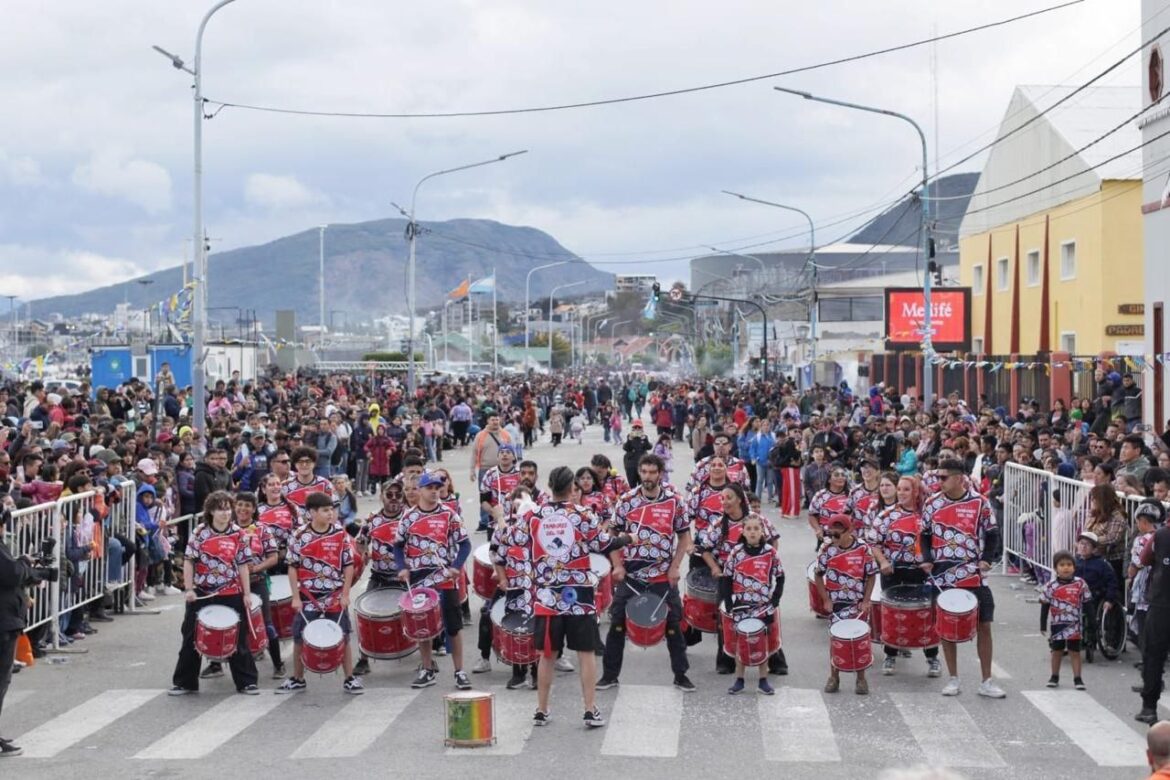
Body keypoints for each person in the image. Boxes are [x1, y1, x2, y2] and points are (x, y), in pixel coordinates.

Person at [497, 466, 628, 726]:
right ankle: (590, 708)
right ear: (572, 488)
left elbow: (509, 539)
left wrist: (503, 518)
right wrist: (630, 537)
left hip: (546, 598)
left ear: (550, 485)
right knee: (586, 653)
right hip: (579, 597)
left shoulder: (533, 516)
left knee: (547, 654)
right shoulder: (581, 514)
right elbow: (604, 543)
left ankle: (542, 710)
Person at [598, 453, 695, 692]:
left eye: (653, 472)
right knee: (617, 624)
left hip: (662, 575)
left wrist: (675, 567)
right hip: (631, 576)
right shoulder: (627, 500)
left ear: (661, 474)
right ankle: (609, 675)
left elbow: (684, 537)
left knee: (674, 625)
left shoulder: (675, 501)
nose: (648, 477)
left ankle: (681, 675)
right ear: (639, 473)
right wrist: (617, 565)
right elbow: (611, 535)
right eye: (644, 472)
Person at [921, 459, 1005, 699]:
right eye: (938, 477)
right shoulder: (931, 503)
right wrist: (927, 558)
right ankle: (953, 679)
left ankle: (986, 680)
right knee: (947, 628)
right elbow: (924, 535)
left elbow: (992, 533)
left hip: (973, 575)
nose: (939, 482)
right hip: (941, 575)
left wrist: (986, 559)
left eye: (943, 477)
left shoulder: (980, 502)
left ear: (959, 478)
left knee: (984, 625)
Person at [169, 490, 260, 696]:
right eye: (221, 509)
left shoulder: (238, 534)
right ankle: (185, 682)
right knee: (191, 637)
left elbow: (244, 565)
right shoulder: (200, 533)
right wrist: (189, 588)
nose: (226, 513)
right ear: (210, 511)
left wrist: (246, 593)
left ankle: (246, 681)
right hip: (203, 592)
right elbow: (189, 560)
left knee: (238, 638)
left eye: (228, 509)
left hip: (231, 592)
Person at [276, 492, 362, 695]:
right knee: (299, 637)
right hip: (308, 596)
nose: (330, 513)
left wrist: (346, 593)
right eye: (325, 510)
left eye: (331, 509)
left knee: (343, 636)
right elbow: (292, 567)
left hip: (334, 595)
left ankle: (349, 678)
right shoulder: (299, 536)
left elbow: (348, 566)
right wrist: (295, 597)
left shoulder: (340, 535)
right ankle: (298, 678)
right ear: (312, 512)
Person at [394, 471, 472, 690]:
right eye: (430, 488)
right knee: (423, 627)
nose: (435, 491)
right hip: (419, 579)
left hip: (444, 578)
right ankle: (427, 669)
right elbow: (398, 545)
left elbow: (465, 544)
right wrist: (402, 568)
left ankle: (460, 671)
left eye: (438, 488)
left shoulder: (449, 515)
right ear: (420, 490)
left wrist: (456, 567)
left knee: (453, 626)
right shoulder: (408, 517)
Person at [869, 475, 940, 677]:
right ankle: (890, 654)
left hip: (921, 572)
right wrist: (882, 562)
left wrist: (931, 562)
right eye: (899, 489)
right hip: (894, 572)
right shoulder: (886, 515)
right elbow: (874, 543)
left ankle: (932, 658)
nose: (901, 493)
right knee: (892, 614)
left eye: (906, 489)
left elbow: (937, 541)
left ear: (916, 491)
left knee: (927, 615)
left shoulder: (927, 516)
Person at [719, 513, 783, 695]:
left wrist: (775, 599)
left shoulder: (770, 552)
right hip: (741, 605)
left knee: (762, 641)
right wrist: (729, 603)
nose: (753, 532)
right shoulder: (736, 552)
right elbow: (727, 578)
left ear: (762, 532)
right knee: (741, 641)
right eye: (749, 529)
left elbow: (780, 576)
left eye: (756, 529)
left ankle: (763, 680)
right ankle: (739, 679)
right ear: (743, 532)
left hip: (763, 605)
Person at [814, 514, 878, 695]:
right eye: (830, 534)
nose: (833, 539)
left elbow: (871, 575)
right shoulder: (827, 549)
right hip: (837, 605)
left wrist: (866, 601)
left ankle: (861, 678)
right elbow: (818, 575)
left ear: (849, 531)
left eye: (837, 535)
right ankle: (834, 676)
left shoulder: (863, 549)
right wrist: (825, 599)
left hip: (857, 604)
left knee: (859, 641)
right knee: (836, 641)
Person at [353, 480, 407, 677]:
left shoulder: (410, 518)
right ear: (381, 496)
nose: (393, 499)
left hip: (405, 577)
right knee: (364, 616)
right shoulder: (372, 519)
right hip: (379, 575)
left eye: (397, 495)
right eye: (389, 494)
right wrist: (363, 551)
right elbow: (361, 542)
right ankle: (363, 659)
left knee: (416, 615)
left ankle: (426, 658)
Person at [1039, 549, 1090, 690]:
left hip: (1075, 626)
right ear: (1056, 568)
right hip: (1057, 625)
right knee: (1057, 651)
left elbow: (1087, 604)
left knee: (1075, 652)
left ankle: (1078, 679)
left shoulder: (1080, 584)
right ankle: (1054, 676)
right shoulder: (1050, 586)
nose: (1066, 568)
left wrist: (1092, 623)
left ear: (1074, 567)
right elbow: (1045, 606)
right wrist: (1042, 625)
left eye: (1069, 564)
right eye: (1062, 565)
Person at [1138, 499, 1170, 724]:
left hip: (1161, 602)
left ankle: (1149, 706)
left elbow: (1144, 559)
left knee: (1154, 656)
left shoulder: (1160, 536)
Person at [281, 447, 334, 521]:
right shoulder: (285, 487)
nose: (304, 465)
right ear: (295, 464)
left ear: (314, 463)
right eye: (300, 462)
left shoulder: (325, 485)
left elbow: (333, 511)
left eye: (308, 461)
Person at [478, 444, 522, 534]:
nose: (504, 455)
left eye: (508, 452)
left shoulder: (520, 474)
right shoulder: (490, 474)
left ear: (514, 457)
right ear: (498, 457)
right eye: (501, 452)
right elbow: (483, 501)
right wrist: (496, 515)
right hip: (494, 524)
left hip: (517, 523)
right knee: (494, 548)